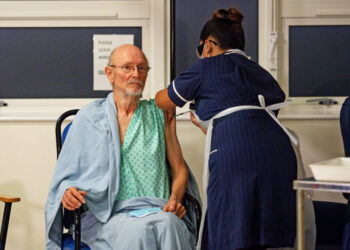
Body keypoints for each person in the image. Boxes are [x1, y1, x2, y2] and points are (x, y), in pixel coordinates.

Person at [155, 7, 297, 250]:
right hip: (279, 153)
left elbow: (164, 100)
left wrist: (160, 100)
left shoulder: (205, 68)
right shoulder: (260, 73)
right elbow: (254, 116)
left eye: (201, 49)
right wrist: (210, 125)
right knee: (269, 227)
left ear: (208, 46)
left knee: (231, 226)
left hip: (237, 153)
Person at [45, 44, 200, 249]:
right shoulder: (89, 118)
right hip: (107, 215)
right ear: (110, 73)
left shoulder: (160, 113)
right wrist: (67, 191)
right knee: (138, 231)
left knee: (170, 225)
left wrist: (174, 200)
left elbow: (180, 171)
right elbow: (65, 177)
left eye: (142, 68)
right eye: (127, 67)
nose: (136, 74)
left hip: (158, 209)